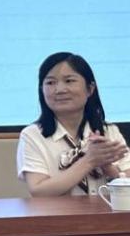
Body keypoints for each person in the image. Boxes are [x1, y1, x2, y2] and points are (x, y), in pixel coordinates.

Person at [18, 52, 129, 196]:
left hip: (106, 210)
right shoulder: (32, 135)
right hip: (56, 211)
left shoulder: (109, 131)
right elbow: (39, 191)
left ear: (90, 89)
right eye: (50, 83)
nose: (60, 90)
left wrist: (107, 166)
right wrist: (89, 161)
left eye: (69, 81)